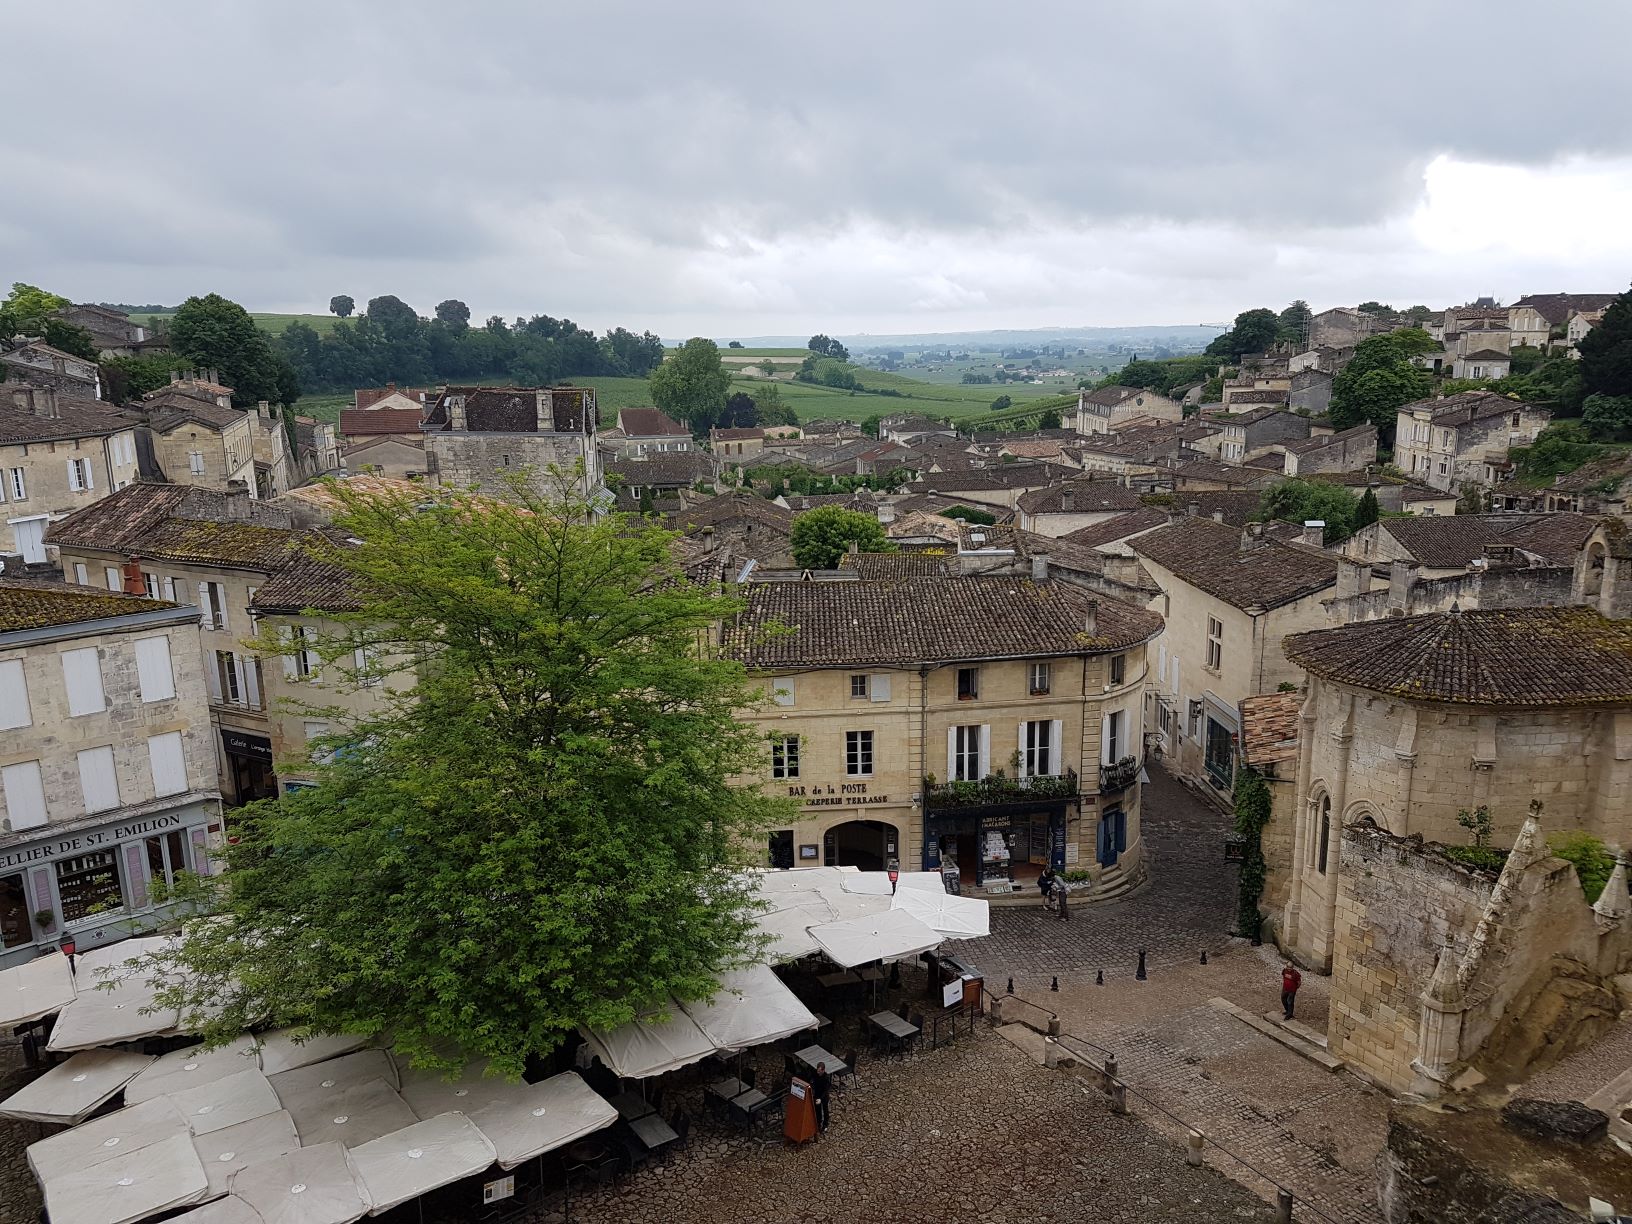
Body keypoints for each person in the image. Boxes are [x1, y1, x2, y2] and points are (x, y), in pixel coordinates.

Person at [812, 1061, 832, 1132]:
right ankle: (818, 1122)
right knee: (817, 1110)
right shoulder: (815, 1073)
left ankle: (825, 1124)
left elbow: (826, 1090)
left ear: (823, 1070)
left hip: (824, 1096)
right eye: (818, 1071)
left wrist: (821, 1099)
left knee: (825, 1110)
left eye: (819, 1071)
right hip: (817, 1094)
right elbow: (813, 1082)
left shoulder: (826, 1078)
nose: (818, 1073)